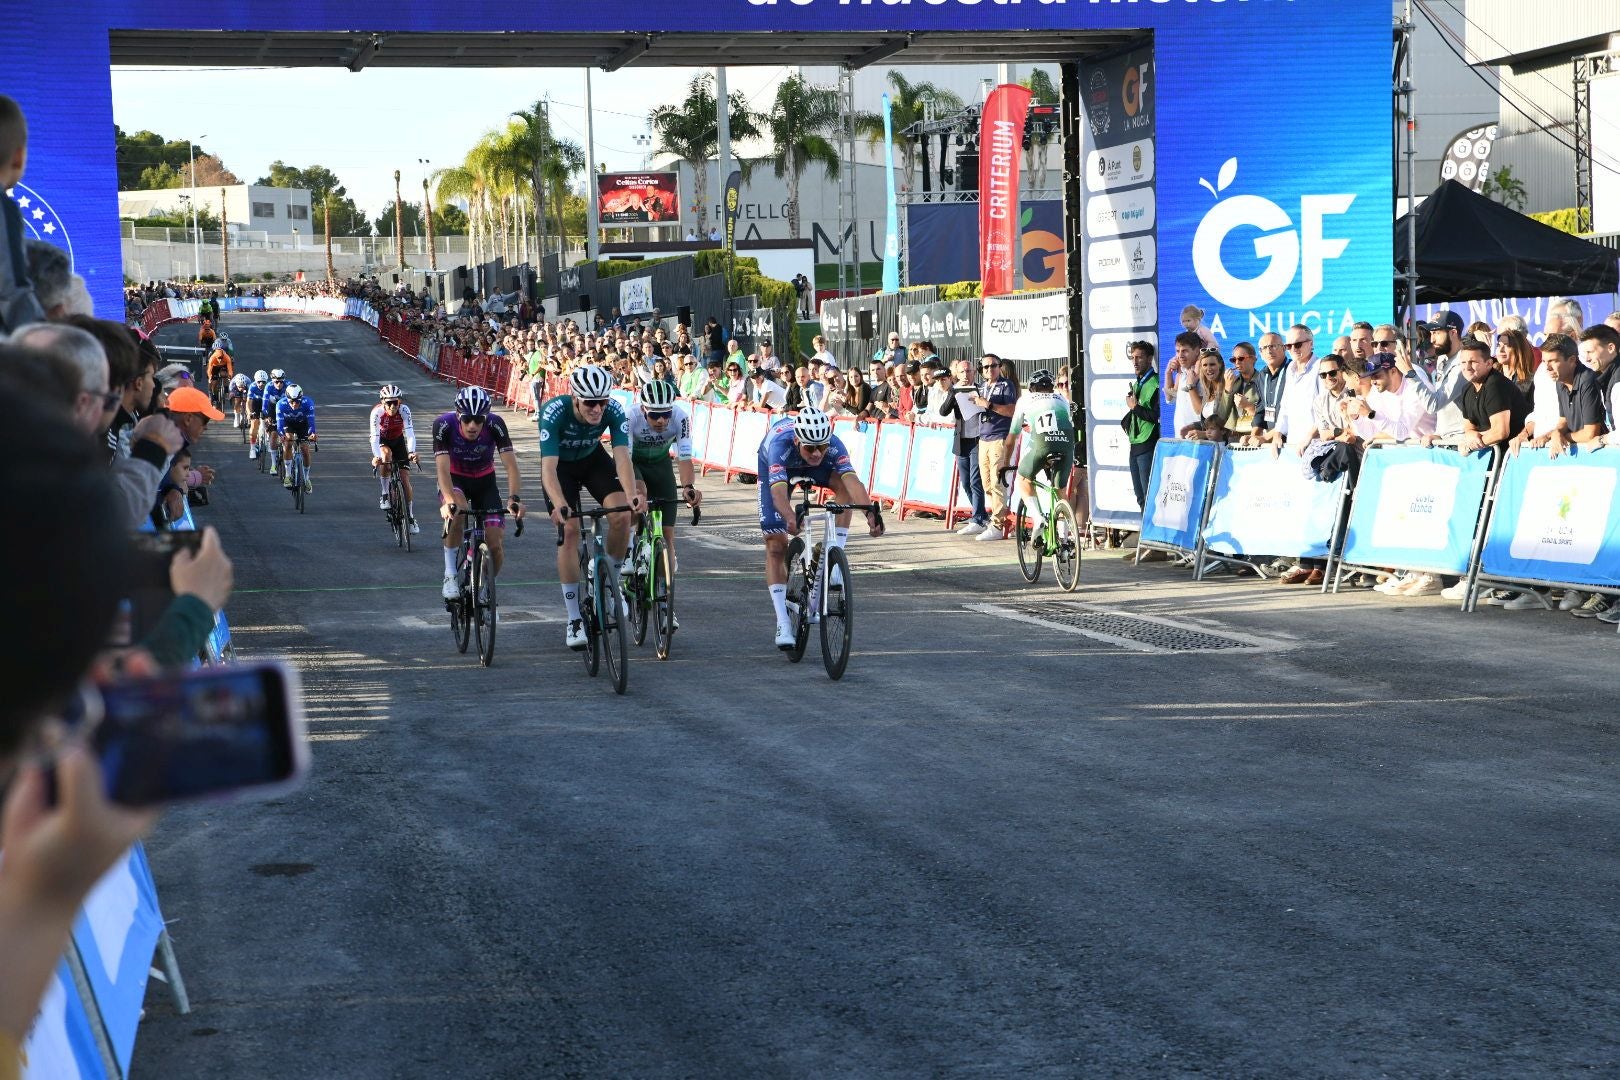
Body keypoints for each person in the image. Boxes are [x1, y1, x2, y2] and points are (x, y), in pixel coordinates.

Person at [758, 407, 884, 648]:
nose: (817, 453)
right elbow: (777, 494)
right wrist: (789, 516)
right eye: (810, 448)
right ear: (797, 440)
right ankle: (783, 622)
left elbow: (852, 481)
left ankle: (834, 552)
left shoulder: (834, 445)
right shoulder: (780, 445)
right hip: (779, 466)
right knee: (776, 545)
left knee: (845, 491)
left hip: (813, 469)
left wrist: (870, 513)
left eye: (822, 447)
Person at [538, 365, 640, 650]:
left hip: (593, 460)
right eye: (590, 403)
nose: (597, 409)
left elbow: (621, 458)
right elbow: (548, 469)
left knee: (622, 514)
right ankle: (573, 619)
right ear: (575, 399)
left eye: (602, 402)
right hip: (562, 469)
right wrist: (559, 504)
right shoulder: (553, 412)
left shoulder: (614, 410)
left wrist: (631, 495)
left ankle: (611, 583)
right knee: (570, 531)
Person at [435, 386, 524, 601]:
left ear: (486, 417)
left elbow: (511, 466)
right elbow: (441, 469)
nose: (473, 425)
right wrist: (447, 501)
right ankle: (450, 575)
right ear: (458, 415)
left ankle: (484, 587)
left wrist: (514, 498)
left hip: (485, 481)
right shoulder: (444, 425)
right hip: (455, 479)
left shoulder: (496, 424)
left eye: (479, 419)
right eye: (467, 419)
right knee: (459, 512)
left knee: (495, 545)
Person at [627, 378, 702, 585]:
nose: (661, 421)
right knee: (639, 492)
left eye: (665, 414)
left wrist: (688, 487)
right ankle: (629, 546)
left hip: (660, 465)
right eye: (654, 415)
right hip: (633, 463)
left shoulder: (681, 418)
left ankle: (665, 599)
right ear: (643, 410)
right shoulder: (630, 416)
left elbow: (684, 457)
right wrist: (634, 490)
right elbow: (624, 458)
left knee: (668, 534)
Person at [1001, 369, 1076, 545]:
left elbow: (1011, 439)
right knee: (1060, 491)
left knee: (1023, 478)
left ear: (1032, 387)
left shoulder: (1025, 399)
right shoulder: (1062, 399)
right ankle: (1064, 541)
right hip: (1066, 443)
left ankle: (1037, 518)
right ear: (1052, 388)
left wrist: (1005, 464)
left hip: (1042, 443)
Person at [974, 355, 1019, 540]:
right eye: (985, 367)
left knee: (997, 482)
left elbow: (1011, 410)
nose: (989, 369)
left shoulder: (1006, 385)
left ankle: (998, 524)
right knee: (986, 483)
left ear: (999, 367)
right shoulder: (982, 386)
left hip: (999, 437)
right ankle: (1001, 517)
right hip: (983, 438)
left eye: (993, 366)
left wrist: (989, 405)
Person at [370, 384, 420, 534]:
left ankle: (410, 517)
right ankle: (385, 494)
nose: (392, 406)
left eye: (395, 402)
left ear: (400, 402)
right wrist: (376, 456)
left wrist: (411, 452)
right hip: (383, 441)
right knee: (386, 456)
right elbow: (374, 437)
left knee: (405, 480)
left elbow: (410, 433)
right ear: (382, 402)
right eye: (389, 403)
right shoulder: (377, 413)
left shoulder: (404, 410)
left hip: (398, 441)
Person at [1122, 341, 1161, 514]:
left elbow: (1156, 417)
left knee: (1149, 496)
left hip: (1148, 444)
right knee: (1140, 498)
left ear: (1150, 359)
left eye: (1139, 357)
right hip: (1134, 444)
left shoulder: (1156, 383)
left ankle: (1151, 536)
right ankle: (1146, 535)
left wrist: (1135, 408)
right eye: (1133, 357)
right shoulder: (1138, 383)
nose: (1135, 361)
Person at [275, 382, 317, 492]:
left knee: (305, 449)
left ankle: (307, 478)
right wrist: (281, 435)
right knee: (288, 442)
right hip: (288, 424)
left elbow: (311, 422)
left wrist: (312, 434)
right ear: (287, 399)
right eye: (291, 402)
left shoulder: (308, 403)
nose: (294, 404)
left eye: (297, 401)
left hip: (303, 424)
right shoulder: (281, 404)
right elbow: (279, 424)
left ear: (301, 399)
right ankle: (288, 475)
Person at [245, 369, 271, 459]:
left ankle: (268, 439)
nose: (261, 384)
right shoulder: (252, 386)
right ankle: (252, 448)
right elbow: (248, 402)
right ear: (256, 381)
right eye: (259, 382)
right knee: (254, 424)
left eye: (263, 382)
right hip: (255, 404)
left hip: (267, 405)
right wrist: (249, 413)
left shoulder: (270, 386)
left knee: (270, 422)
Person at [205, 339, 234, 407]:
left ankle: (226, 390)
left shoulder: (226, 357)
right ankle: (213, 396)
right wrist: (210, 377)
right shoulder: (212, 357)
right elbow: (209, 369)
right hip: (214, 367)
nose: (220, 359)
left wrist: (230, 376)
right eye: (218, 358)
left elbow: (230, 369)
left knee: (225, 375)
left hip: (223, 366)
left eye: (221, 357)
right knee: (213, 382)